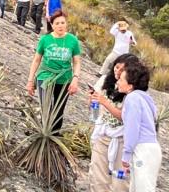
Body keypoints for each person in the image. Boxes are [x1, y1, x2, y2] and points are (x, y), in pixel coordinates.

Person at [88, 54, 141, 192]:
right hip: (102, 135)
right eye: (116, 67)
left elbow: (124, 117)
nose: (117, 72)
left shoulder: (133, 92)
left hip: (122, 141)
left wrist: (104, 101)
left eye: (122, 70)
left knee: (120, 183)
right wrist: (93, 99)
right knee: (97, 178)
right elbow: (94, 105)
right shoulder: (105, 80)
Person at [26, 10, 81, 132]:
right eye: (57, 23)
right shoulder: (45, 40)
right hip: (45, 76)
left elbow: (76, 62)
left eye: (63, 22)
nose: (60, 25)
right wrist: (30, 80)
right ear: (52, 25)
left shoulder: (73, 40)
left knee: (58, 109)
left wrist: (75, 79)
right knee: (45, 108)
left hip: (64, 78)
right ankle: (43, 132)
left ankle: (54, 136)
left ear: (66, 24)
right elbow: (36, 60)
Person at [117, 62, 161, 192]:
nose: (118, 81)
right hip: (150, 149)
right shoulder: (145, 98)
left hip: (143, 150)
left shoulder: (132, 99)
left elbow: (132, 129)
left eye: (121, 79)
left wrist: (125, 156)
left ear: (130, 85)